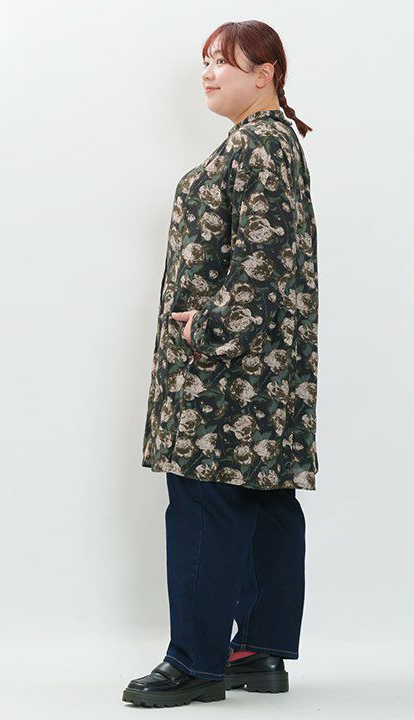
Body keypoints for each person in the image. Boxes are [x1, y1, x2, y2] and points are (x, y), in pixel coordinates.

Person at [123, 19, 319, 708]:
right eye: (204, 61)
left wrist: (204, 327)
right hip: (259, 371)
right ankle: (255, 650)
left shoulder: (259, 146)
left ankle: (196, 663)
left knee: (205, 500)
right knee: (263, 498)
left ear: (265, 73)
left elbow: (263, 268)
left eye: (223, 62)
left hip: (227, 374)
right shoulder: (266, 142)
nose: (207, 74)